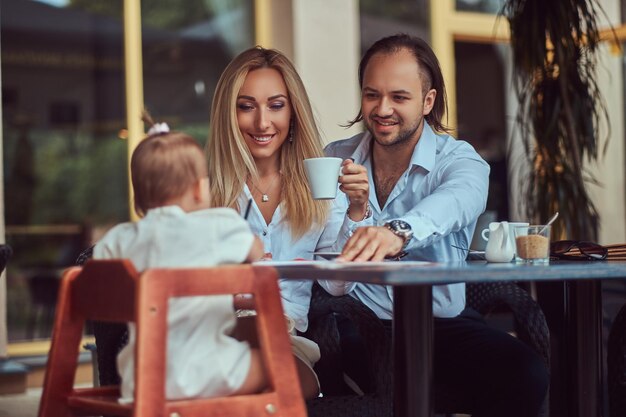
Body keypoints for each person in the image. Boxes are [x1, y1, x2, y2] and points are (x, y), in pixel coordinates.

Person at [320, 34, 549, 417]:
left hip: (442, 326)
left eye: (399, 97)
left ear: (428, 101)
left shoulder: (459, 160)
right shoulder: (335, 158)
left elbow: (457, 201)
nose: (382, 108)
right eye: (372, 95)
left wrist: (397, 232)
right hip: (359, 324)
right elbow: (324, 251)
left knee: (524, 372)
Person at [206, 46, 372, 396]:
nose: (262, 122)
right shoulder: (204, 191)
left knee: (280, 381)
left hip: (284, 339)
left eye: (276, 106)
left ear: (293, 112)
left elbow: (338, 286)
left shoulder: (318, 188)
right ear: (228, 114)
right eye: (246, 106)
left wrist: (357, 210)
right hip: (211, 335)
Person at [93, 121, 268, 403]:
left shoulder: (118, 240)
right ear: (200, 189)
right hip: (210, 370)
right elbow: (256, 251)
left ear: (138, 198)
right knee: (273, 363)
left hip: (140, 379)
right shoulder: (218, 224)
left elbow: (96, 278)